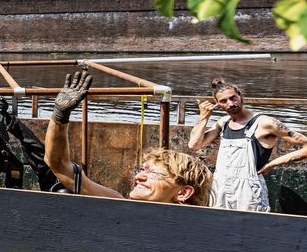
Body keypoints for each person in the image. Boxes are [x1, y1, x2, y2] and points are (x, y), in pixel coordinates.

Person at [46, 70, 212, 205]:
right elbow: (59, 165)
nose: (138, 178)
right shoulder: (117, 205)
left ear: (183, 192)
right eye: (142, 170)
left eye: (154, 174)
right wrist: (60, 116)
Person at [188, 78, 307, 212]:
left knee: (250, 228)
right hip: (219, 186)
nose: (230, 103)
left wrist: (272, 164)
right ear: (217, 103)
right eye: (224, 101)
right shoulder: (222, 123)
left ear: (241, 96)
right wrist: (204, 117)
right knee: (218, 227)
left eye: (233, 98)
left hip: (248, 191)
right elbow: (194, 145)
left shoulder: (265, 123)